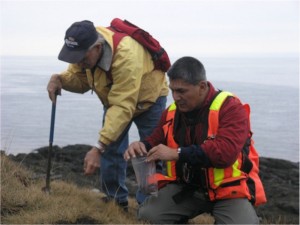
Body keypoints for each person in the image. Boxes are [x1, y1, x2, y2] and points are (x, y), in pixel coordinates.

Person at [124, 56, 267, 224]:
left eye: (182, 91)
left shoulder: (231, 108)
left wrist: (177, 153)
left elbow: (225, 154)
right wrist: (142, 145)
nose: (175, 97)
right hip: (187, 188)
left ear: (202, 86)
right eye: (173, 90)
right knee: (148, 216)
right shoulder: (171, 112)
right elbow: (156, 138)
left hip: (228, 191)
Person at [47, 20, 169, 209]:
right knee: (111, 150)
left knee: (151, 154)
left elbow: (123, 107)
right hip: (115, 99)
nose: (78, 62)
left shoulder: (126, 57)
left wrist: (98, 147)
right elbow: (80, 81)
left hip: (149, 100)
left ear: (97, 47)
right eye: (74, 57)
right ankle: (115, 200)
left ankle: (148, 205)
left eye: (81, 57)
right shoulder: (84, 50)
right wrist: (60, 79)